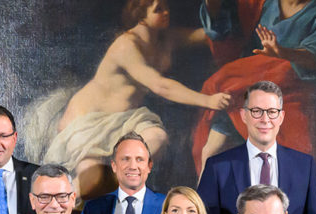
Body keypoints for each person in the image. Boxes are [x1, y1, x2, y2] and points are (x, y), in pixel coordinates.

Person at [28, 0, 229, 197]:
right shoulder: (127, 45)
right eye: (159, 9)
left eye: (166, 7)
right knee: (91, 181)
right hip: (89, 122)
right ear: (140, 15)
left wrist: (214, 7)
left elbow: (208, 35)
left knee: (156, 138)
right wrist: (207, 100)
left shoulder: (167, 38)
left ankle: (117, 193)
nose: (166, 12)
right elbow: (160, 85)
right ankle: (58, 213)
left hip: (127, 120)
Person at [193, 0, 316, 172]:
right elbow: (226, 35)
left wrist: (282, 53)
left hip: (292, 93)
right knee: (211, 152)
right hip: (244, 90)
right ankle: (204, 198)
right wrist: (213, 5)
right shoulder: (262, 4)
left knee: (283, 163)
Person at [196, 81, 316, 214]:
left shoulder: (305, 167)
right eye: (256, 111)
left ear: (281, 117)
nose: (265, 119)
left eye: (272, 112)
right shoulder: (218, 168)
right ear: (243, 115)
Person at [80, 132, 167, 214]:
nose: (133, 166)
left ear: (149, 166)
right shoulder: (93, 209)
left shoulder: (167, 206)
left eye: (139, 159)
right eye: (125, 159)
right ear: (114, 166)